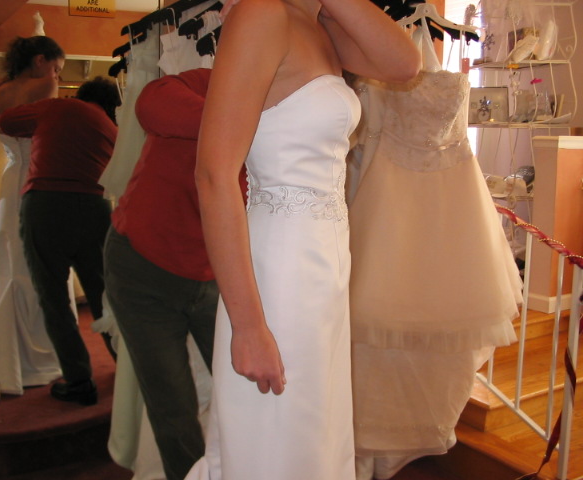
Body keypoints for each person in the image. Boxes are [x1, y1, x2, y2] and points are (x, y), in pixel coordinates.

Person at [183, 1, 420, 479]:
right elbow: (213, 175)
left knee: (313, 435)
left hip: (323, 268)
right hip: (280, 274)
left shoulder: (319, 24)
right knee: (277, 439)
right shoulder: (263, 14)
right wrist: (249, 327)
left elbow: (404, 63)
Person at [348, 19, 522, 480]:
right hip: (389, 199)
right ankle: (371, 440)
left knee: (443, 334)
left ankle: (413, 431)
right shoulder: (372, 47)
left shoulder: (432, 35)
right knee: (376, 330)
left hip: (453, 203)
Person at [104, 68, 246, 480]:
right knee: (173, 407)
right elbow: (151, 102)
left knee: (246, 393)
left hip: (217, 275)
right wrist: (249, 126)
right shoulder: (210, 82)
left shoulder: (294, 114)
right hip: (143, 267)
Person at [0, 76, 121, 405]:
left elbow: (5, 121)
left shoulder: (59, 107)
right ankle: (126, 369)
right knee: (104, 296)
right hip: (96, 207)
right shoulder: (112, 130)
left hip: (47, 203)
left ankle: (80, 381)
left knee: (53, 297)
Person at [0, 36, 67, 396]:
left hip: (8, 183)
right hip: (39, 180)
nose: (57, 76)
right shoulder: (45, 86)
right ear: (40, 61)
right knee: (43, 268)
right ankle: (41, 354)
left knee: (14, 268)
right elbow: (49, 137)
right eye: (56, 67)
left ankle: (16, 348)